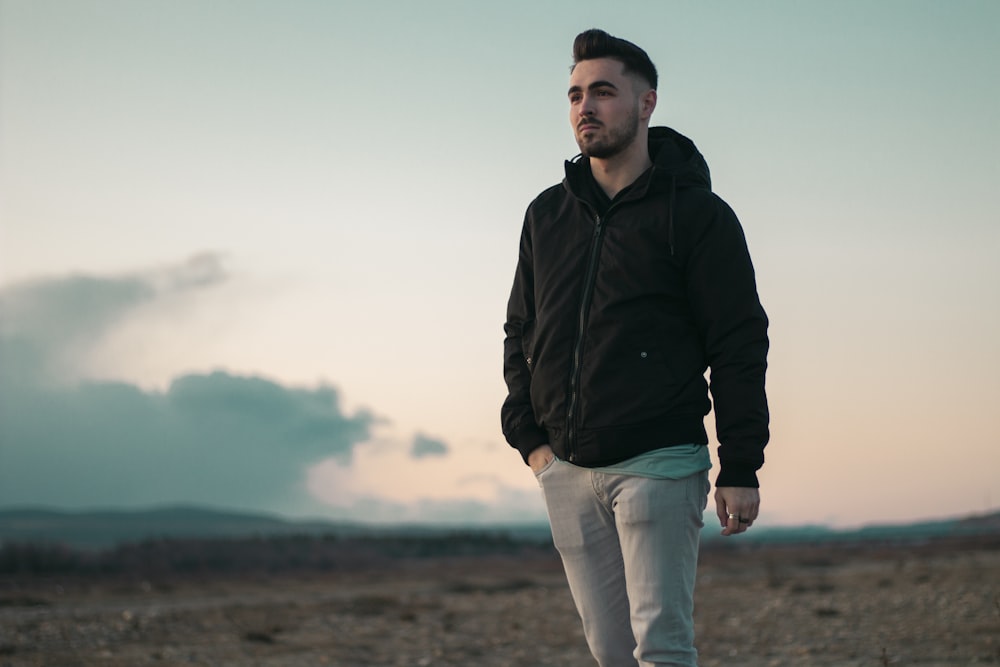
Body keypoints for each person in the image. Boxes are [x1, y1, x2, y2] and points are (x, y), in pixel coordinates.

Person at [501, 28, 770, 666]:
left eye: (602, 92)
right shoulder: (547, 215)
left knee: (663, 648)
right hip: (565, 467)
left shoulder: (698, 215)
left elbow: (738, 341)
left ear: (646, 104)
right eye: (574, 95)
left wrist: (740, 463)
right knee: (610, 653)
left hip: (660, 462)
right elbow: (521, 330)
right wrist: (533, 442)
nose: (584, 108)